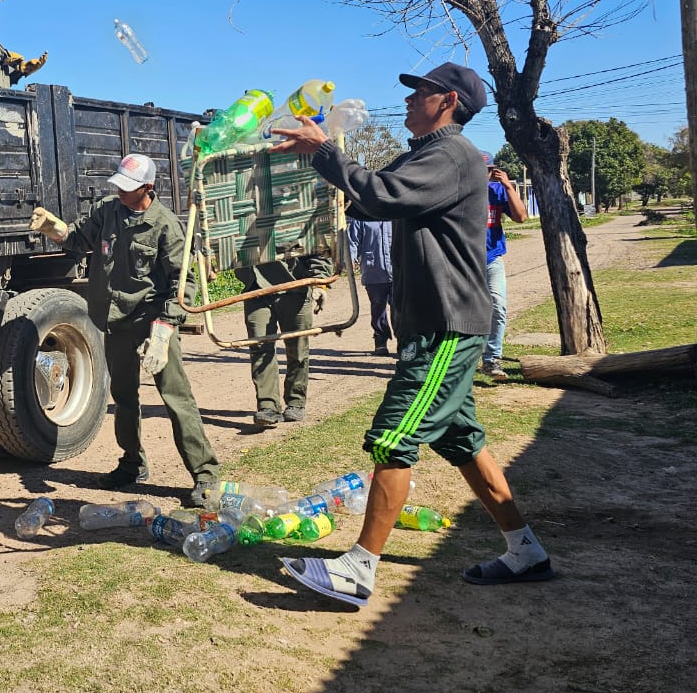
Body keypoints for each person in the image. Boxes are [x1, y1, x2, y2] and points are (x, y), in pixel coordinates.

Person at [267, 61, 553, 607]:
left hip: (447, 325)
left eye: (418, 91)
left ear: (446, 101)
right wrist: (311, 162)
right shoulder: (427, 154)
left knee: (393, 438)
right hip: (434, 325)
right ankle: (525, 550)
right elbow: (367, 195)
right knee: (463, 440)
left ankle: (359, 568)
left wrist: (327, 151)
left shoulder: (453, 156)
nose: (407, 99)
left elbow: (381, 195)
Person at [29, 154, 220, 507]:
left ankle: (205, 475)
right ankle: (132, 464)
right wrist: (53, 228)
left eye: (127, 187)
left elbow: (183, 284)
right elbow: (77, 240)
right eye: (118, 184)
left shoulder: (165, 225)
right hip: (116, 322)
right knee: (125, 397)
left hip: (153, 325)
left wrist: (163, 332)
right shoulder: (108, 210)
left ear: (147, 188)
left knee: (176, 400)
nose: (119, 190)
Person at [237, 251, 331, 428]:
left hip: (295, 288)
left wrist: (320, 283)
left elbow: (317, 245)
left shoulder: (290, 222)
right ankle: (267, 406)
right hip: (256, 291)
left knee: (298, 348)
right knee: (259, 346)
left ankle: (296, 401)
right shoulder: (239, 222)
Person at [480, 152, 528, 378]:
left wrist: (508, 186)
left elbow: (521, 217)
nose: (485, 174)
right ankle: (465, 360)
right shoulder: (459, 192)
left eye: (489, 170)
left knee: (498, 306)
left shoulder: (497, 191)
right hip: (464, 262)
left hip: (492, 259)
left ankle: (491, 360)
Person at [346, 200, 394, 355]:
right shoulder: (362, 218)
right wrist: (350, 260)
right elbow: (352, 241)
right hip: (374, 270)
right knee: (377, 307)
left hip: (398, 271)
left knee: (400, 308)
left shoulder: (395, 215)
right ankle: (380, 340)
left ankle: (404, 341)